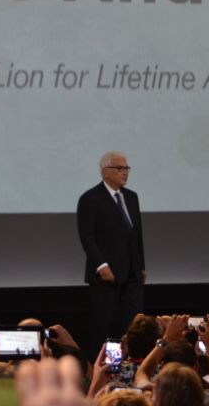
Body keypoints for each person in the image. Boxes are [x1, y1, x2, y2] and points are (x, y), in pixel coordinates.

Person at [77, 151, 147, 354]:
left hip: (132, 274)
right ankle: (105, 372)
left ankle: (131, 365)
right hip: (106, 276)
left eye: (127, 168)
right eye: (120, 168)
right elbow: (87, 236)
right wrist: (101, 265)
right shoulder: (90, 198)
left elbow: (137, 235)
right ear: (105, 172)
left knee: (133, 326)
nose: (125, 172)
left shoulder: (131, 197)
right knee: (105, 328)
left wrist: (141, 265)